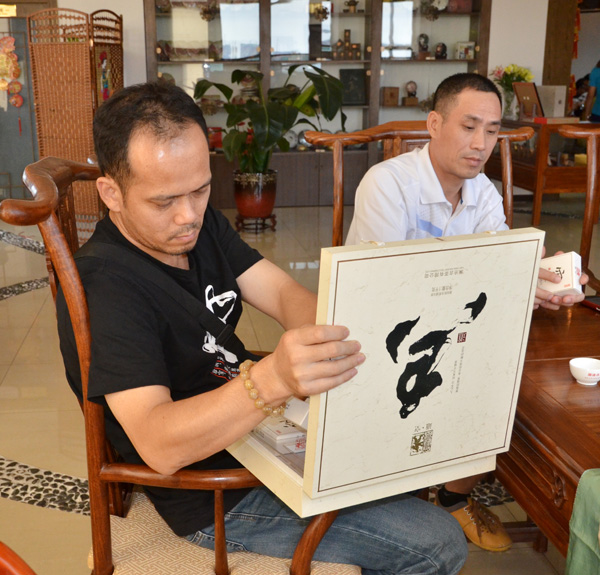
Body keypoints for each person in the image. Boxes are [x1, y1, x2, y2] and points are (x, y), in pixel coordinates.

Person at [55, 81, 467, 575]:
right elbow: (160, 444)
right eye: (164, 202)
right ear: (112, 194)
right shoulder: (107, 285)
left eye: (200, 190)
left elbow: (281, 293)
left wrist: (334, 339)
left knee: (413, 456)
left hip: (253, 436)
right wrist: (272, 379)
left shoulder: (196, 226)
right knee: (438, 542)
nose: (188, 216)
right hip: (211, 493)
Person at [346, 72, 588, 553]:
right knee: (475, 370)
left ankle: (455, 496)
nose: (481, 144)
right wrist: (497, 286)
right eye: (469, 126)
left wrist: (540, 282)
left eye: (492, 131)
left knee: (510, 371)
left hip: (450, 331)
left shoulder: (483, 194)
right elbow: (391, 293)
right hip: (385, 340)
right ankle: (400, 498)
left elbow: (498, 271)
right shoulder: (388, 184)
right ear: (434, 124)